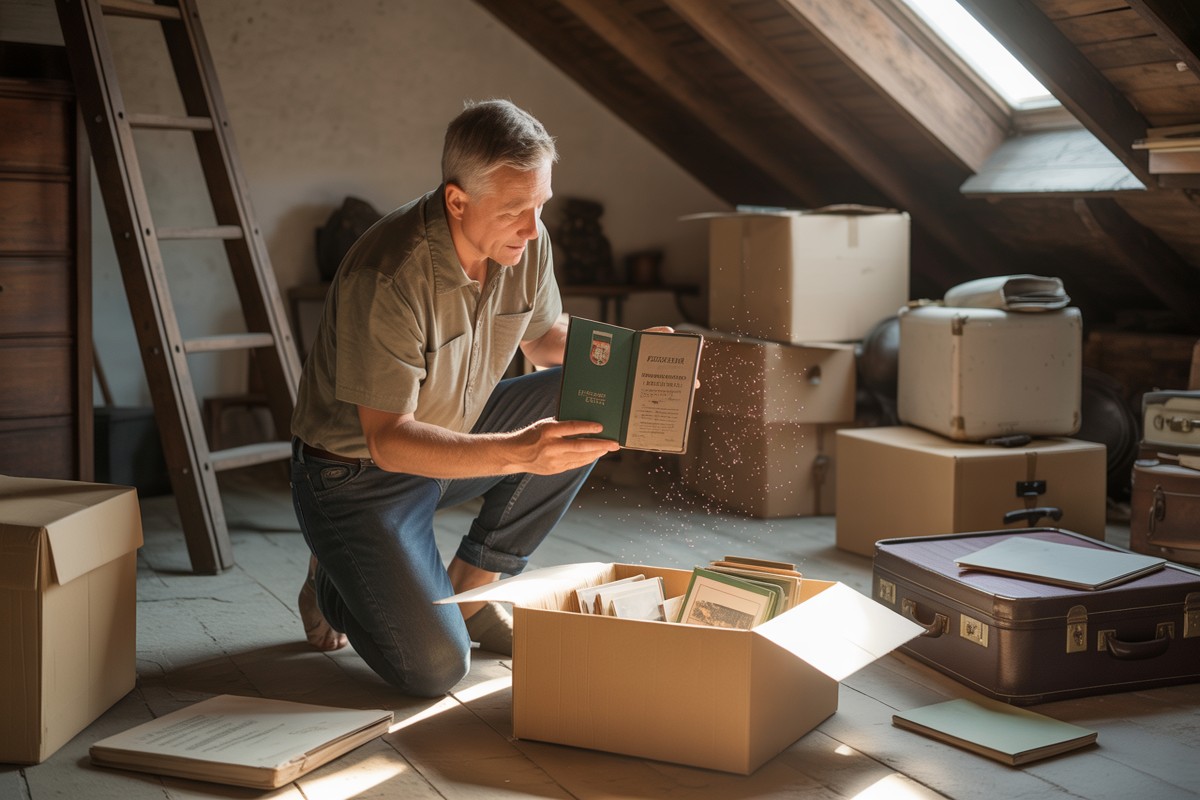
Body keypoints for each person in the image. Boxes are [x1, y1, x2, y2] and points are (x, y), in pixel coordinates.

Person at [289, 99, 622, 697]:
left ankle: (470, 585)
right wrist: (520, 454)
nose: (531, 226)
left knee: (594, 402)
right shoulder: (389, 274)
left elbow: (547, 342)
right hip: (356, 476)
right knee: (436, 669)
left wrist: (639, 365)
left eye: (540, 204)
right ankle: (335, 577)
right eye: (515, 210)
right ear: (457, 201)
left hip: (453, 438)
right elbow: (388, 440)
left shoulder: (526, 239)